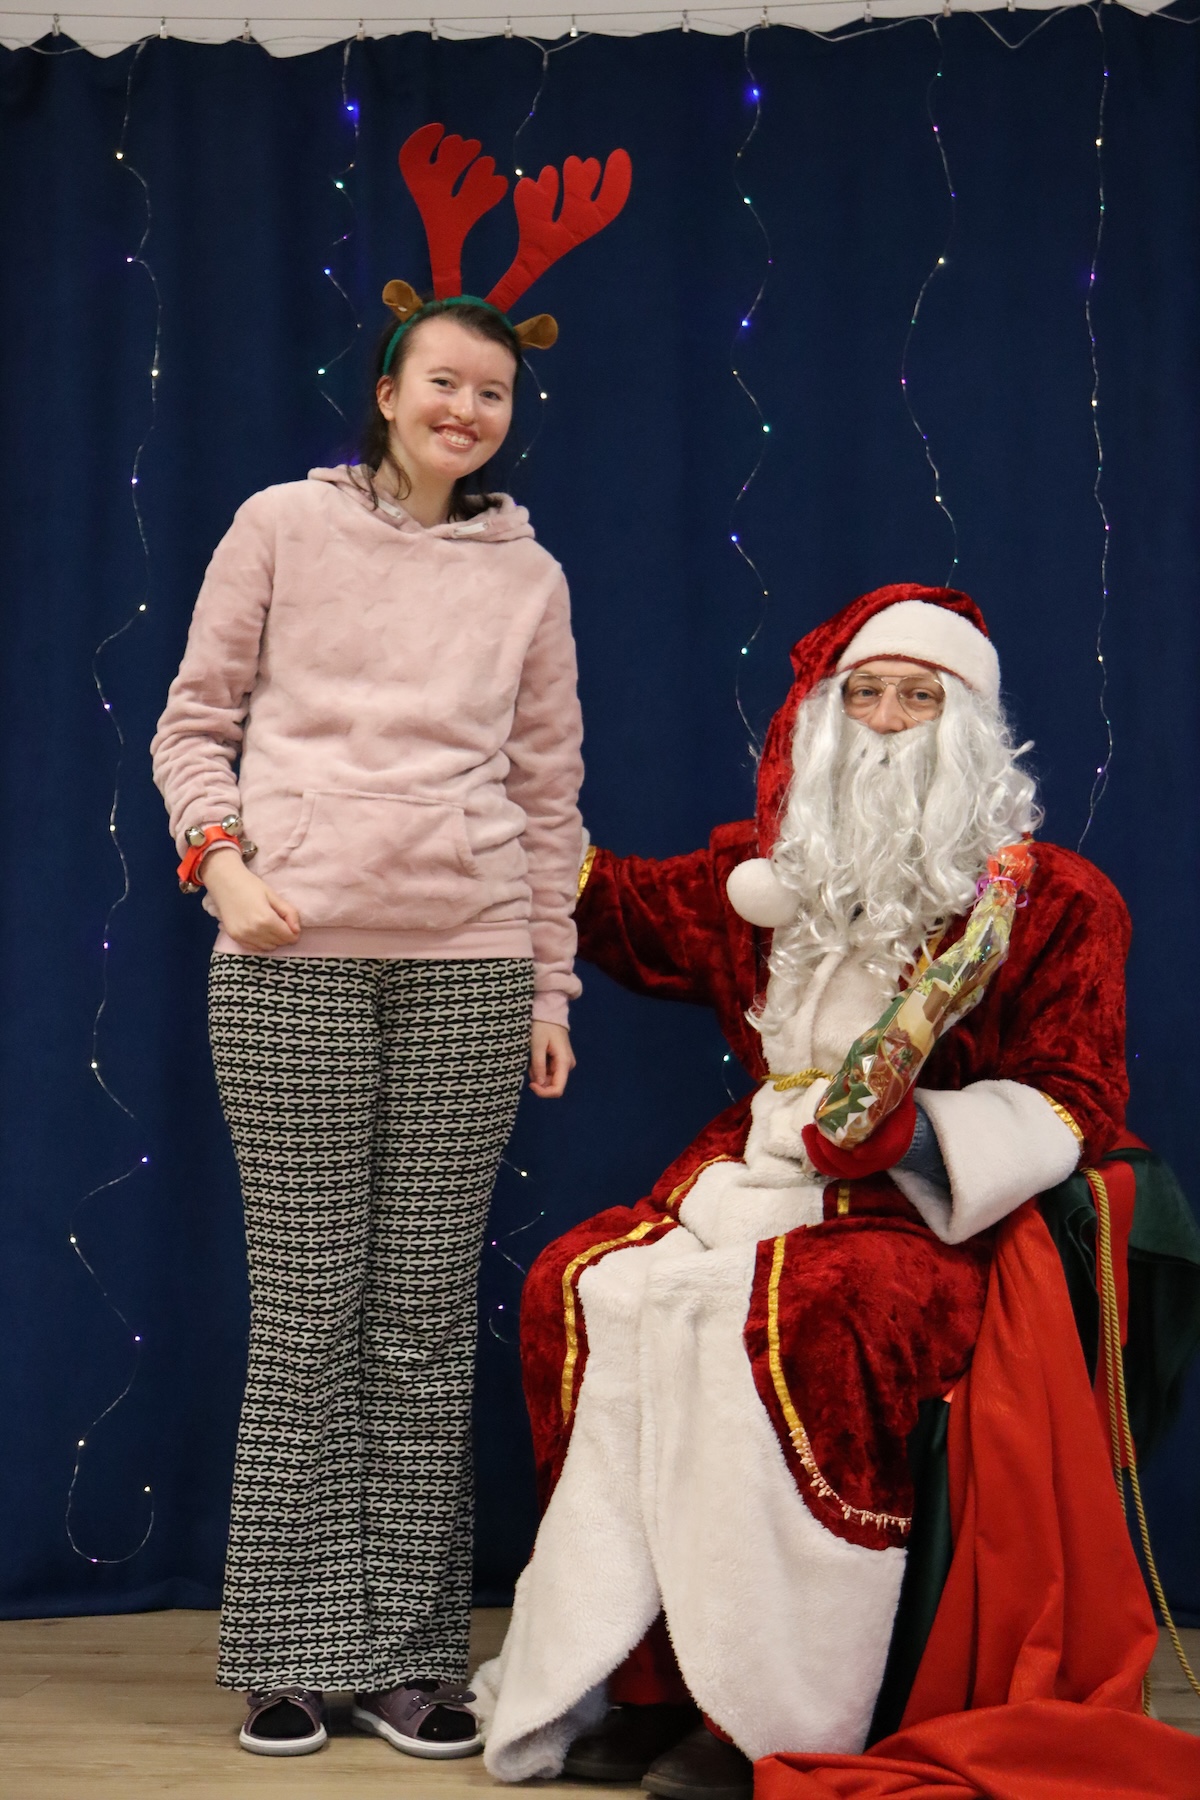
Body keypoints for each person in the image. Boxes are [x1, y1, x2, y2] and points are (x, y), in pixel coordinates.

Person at [476, 583, 1168, 1799]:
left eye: (919, 699)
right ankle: (637, 1680)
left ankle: (769, 1712)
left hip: (923, 1215)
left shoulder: (1054, 900)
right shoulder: (765, 877)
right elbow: (620, 908)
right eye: (868, 695)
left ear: (968, 724)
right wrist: (497, 812)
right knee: (577, 1289)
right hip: (748, 1177)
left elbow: (1075, 1098)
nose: (887, 721)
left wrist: (911, 1132)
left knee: (801, 1318)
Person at [151, 290, 584, 1759]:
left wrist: (547, 983)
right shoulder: (280, 525)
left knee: (421, 1317)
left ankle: (406, 1655)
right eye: (444, 383)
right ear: (389, 391)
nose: (467, 410)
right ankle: (288, 1651)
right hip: (295, 955)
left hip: (470, 963)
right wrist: (223, 866)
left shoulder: (529, 578)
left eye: (493, 394)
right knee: (308, 1305)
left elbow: (547, 796)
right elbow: (194, 722)